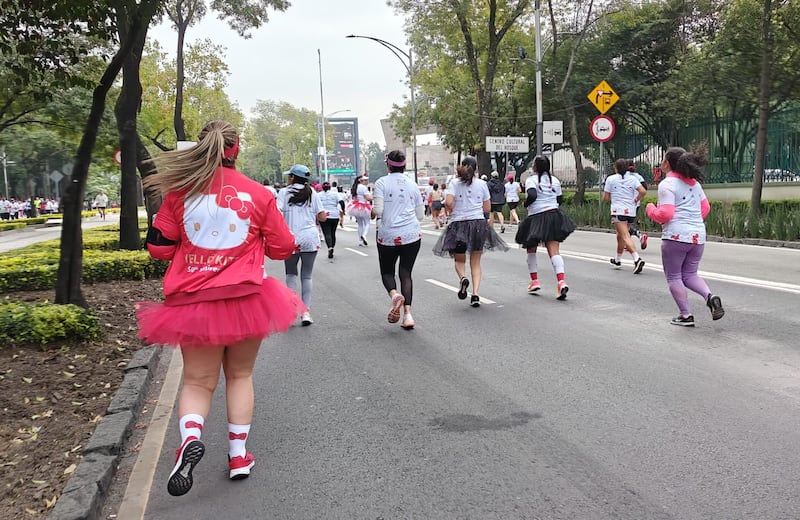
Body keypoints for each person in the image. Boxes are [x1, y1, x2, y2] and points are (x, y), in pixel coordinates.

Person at [136, 120, 304, 496]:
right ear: (237, 149)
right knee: (240, 377)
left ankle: (189, 439)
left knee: (197, 381)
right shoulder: (258, 194)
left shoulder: (179, 194)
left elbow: (159, 248)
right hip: (247, 301)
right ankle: (238, 456)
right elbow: (281, 247)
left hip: (193, 303)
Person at [646, 145, 725, 327]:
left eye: (663, 159)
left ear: (667, 163)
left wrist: (650, 209)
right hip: (698, 235)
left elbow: (665, 214)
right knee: (690, 274)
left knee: (674, 276)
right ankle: (709, 297)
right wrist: (691, 223)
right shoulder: (695, 184)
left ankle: (685, 315)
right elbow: (705, 208)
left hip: (675, 236)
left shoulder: (667, 184)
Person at [432, 156, 508, 307]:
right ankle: (476, 294)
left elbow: (448, 202)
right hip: (478, 224)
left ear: (462, 167)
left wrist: (451, 206)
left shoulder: (454, 183)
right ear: (476, 169)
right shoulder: (481, 184)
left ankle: (462, 279)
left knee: (459, 260)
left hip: (459, 224)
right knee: (476, 262)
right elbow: (487, 208)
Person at [372, 150, 424, 329]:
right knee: (406, 274)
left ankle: (394, 295)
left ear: (388, 164)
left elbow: (377, 211)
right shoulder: (413, 184)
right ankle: (408, 316)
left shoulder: (381, 183)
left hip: (388, 236)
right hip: (411, 234)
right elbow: (420, 215)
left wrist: (374, 211)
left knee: (387, 272)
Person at [515, 155, 576, 300]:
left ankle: (534, 280)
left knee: (531, 249)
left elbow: (532, 195)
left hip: (536, 216)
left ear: (535, 167)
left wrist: (525, 204)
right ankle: (561, 281)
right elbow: (559, 199)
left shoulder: (531, 180)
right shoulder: (554, 180)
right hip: (554, 215)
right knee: (554, 251)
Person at [277, 164, 327, 325]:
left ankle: (292, 310)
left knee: (291, 274)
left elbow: (276, 214)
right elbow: (322, 217)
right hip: (309, 237)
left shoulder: (284, 193)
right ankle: (305, 312)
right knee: (307, 275)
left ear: (292, 177)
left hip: (290, 238)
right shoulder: (312, 192)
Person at [604, 158, 647, 274]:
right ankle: (617, 259)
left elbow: (606, 198)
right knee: (620, 235)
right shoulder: (633, 179)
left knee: (625, 236)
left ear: (616, 168)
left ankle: (637, 259)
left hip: (618, 211)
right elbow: (643, 191)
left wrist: (612, 198)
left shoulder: (611, 179)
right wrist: (636, 199)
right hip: (631, 211)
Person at [626, 160, 649, 250]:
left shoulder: (623, 177)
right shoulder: (639, 177)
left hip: (625, 203)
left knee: (623, 224)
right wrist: (637, 198)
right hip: (636, 203)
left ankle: (640, 236)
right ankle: (628, 243)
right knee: (629, 223)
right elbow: (645, 189)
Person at [318, 181, 343, 259]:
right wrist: (343, 211)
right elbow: (341, 202)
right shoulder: (335, 194)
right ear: (330, 187)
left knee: (327, 233)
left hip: (324, 215)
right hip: (334, 215)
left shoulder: (318, 195)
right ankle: (332, 247)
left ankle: (329, 247)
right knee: (333, 233)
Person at [346, 175, 373, 246]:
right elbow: (368, 198)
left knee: (360, 224)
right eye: (365, 180)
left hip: (355, 207)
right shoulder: (363, 188)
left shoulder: (354, 187)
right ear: (361, 181)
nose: (366, 181)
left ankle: (360, 241)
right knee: (367, 223)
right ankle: (364, 235)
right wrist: (373, 198)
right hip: (364, 206)